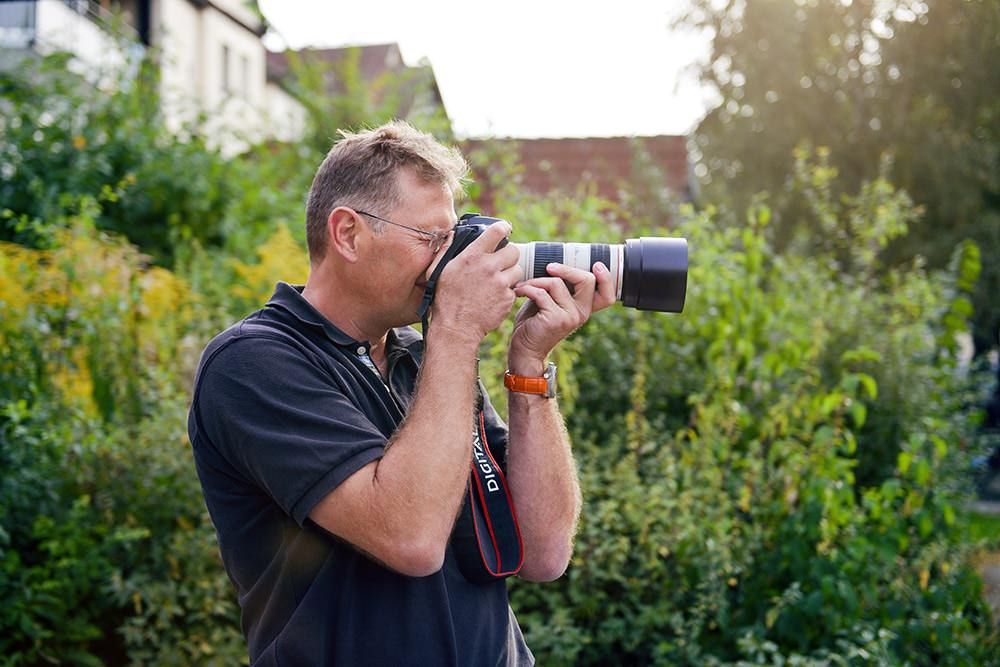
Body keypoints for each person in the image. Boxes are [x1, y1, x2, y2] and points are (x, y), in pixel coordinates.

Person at [187, 121, 615, 666]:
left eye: (451, 237)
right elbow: (408, 539)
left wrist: (529, 367)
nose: (449, 261)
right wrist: (457, 332)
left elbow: (544, 550)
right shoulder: (254, 363)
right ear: (347, 234)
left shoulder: (423, 356)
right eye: (431, 238)